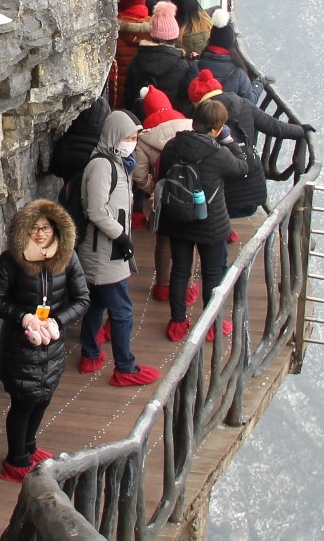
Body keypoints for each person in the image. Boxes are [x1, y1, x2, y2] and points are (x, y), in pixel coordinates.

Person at [0, 200, 89, 481]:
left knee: (43, 397)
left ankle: (29, 447)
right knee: (23, 401)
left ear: (56, 230)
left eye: (46, 228)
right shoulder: (11, 261)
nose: (40, 234)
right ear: (24, 232)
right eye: (34, 228)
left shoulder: (67, 258)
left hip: (51, 345)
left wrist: (57, 321)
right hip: (20, 346)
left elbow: (82, 299)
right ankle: (16, 459)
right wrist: (24, 318)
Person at [151, 98, 252, 342]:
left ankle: (177, 322)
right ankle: (211, 324)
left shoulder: (172, 146)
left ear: (194, 121)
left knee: (180, 271)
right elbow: (243, 168)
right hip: (210, 223)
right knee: (212, 275)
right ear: (216, 128)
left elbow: (163, 176)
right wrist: (228, 140)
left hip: (177, 220)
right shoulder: (218, 153)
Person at [73, 110, 161, 387]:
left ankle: (91, 354)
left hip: (105, 249)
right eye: (128, 137)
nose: (132, 142)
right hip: (104, 252)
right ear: (114, 136)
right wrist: (122, 237)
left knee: (96, 305)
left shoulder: (117, 162)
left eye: (134, 136)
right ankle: (125, 367)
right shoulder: (103, 166)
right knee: (122, 311)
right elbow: (97, 211)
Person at [187, 70, 313, 225]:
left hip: (222, 200)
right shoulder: (244, 103)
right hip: (254, 197)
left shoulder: (202, 118)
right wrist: (302, 130)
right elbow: (275, 127)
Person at [130, 86, 191, 303]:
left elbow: (139, 175)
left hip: (164, 196)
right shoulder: (190, 126)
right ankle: (188, 287)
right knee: (186, 240)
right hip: (190, 194)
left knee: (164, 240)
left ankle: (163, 286)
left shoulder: (144, 138)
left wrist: (155, 188)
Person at [123, 3, 190, 115]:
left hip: (140, 122)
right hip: (170, 122)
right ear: (174, 37)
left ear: (152, 35)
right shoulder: (181, 65)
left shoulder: (137, 59)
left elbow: (128, 97)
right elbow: (183, 103)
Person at [192, 21, 262, 104]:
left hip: (199, 115)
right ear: (231, 43)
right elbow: (250, 101)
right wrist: (259, 84)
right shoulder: (239, 73)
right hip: (226, 116)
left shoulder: (195, 66)